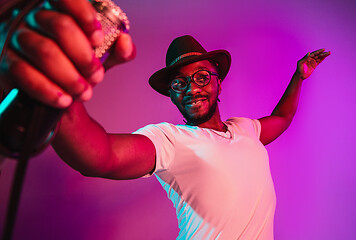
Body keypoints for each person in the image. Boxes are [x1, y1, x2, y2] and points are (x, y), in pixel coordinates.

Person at [0, 0, 330, 239]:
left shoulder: (245, 129)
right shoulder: (171, 140)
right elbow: (101, 156)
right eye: (178, 84)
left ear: (218, 81)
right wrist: (62, 83)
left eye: (201, 77)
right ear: (171, 95)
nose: (190, 89)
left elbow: (281, 118)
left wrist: (298, 77)